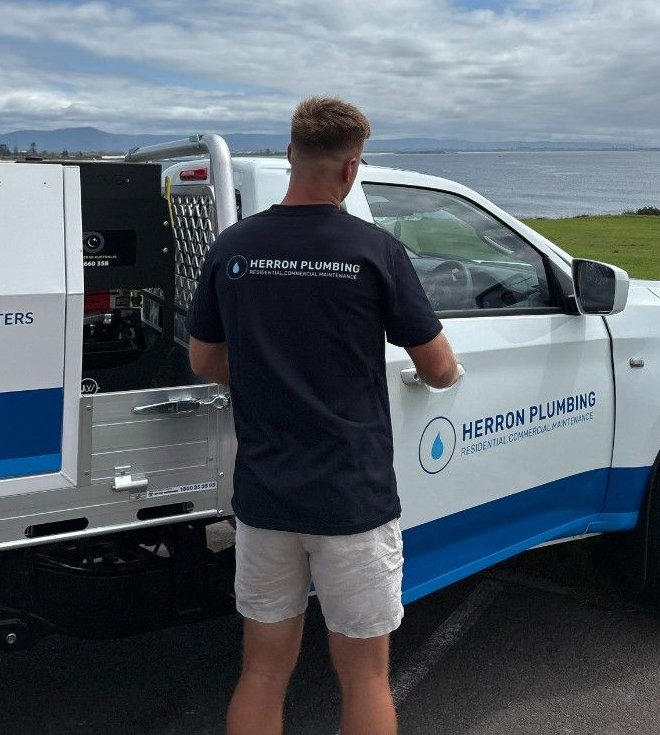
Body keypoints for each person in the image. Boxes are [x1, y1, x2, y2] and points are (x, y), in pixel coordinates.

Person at [186, 97, 459, 735]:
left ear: (290, 156)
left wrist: (267, 376)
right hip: (353, 500)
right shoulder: (374, 250)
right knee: (363, 677)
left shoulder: (235, 247)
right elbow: (440, 366)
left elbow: (203, 359)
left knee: (261, 673)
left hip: (266, 497)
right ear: (350, 169)